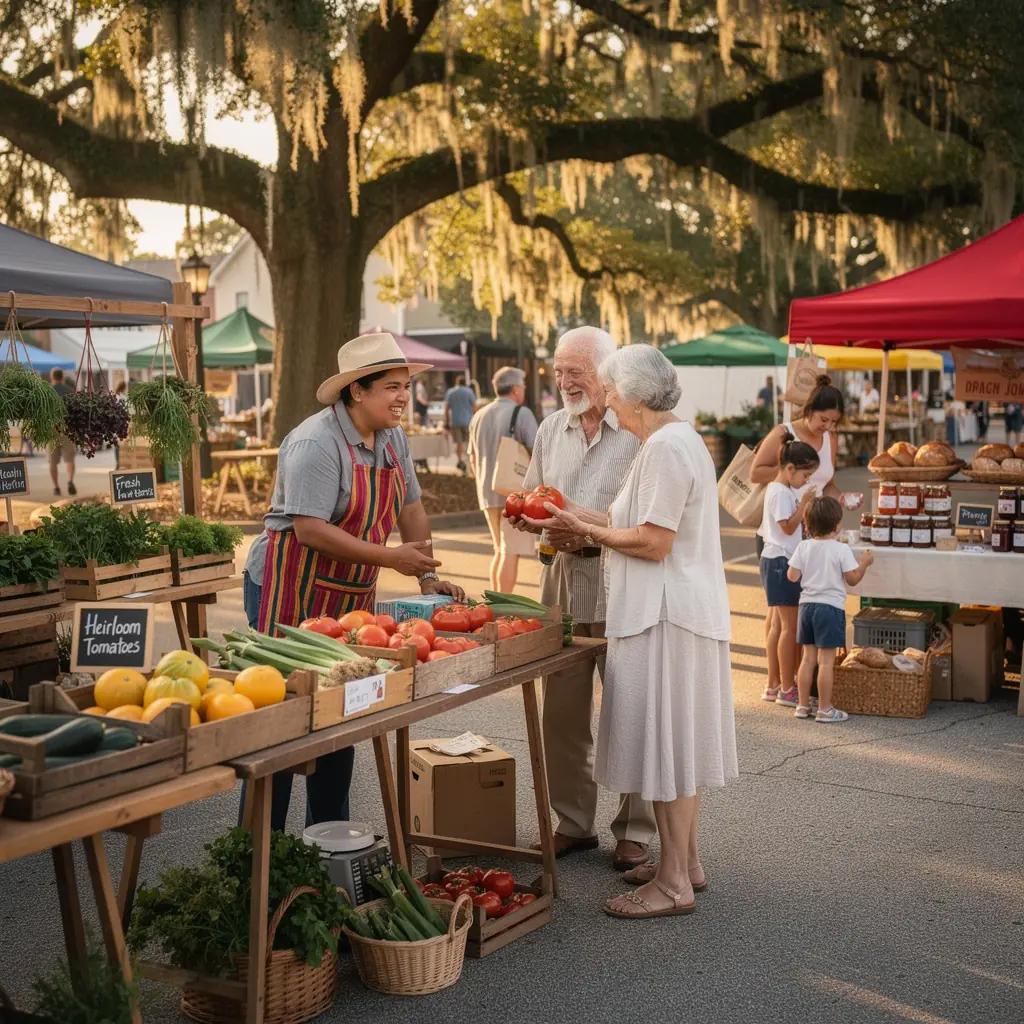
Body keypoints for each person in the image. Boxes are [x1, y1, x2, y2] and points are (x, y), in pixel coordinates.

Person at [523, 344, 736, 918]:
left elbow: (653, 540)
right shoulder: (673, 440)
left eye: (612, 388)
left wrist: (585, 533)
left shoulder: (664, 449)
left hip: (665, 616)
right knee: (676, 749)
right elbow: (629, 521)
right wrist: (568, 513)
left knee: (668, 752)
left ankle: (671, 884)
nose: (607, 396)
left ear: (636, 395)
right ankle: (683, 862)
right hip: (671, 612)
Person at [241, 332, 464, 831]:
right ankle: (259, 851)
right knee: (280, 721)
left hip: (347, 592)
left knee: (342, 713)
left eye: (406, 385)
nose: (403, 397)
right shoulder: (315, 442)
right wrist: (391, 558)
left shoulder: (393, 438)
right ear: (356, 391)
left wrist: (427, 574)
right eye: (391, 386)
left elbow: (410, 508)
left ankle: (327, 841)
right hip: (287, 585)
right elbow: (310, 529)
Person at [512, 326, 656, 871]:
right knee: (563, 716)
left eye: (577, 371)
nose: (564, 381)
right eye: (558, 371)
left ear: (608, 372)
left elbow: (649, 522)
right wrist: (534, 520)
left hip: (622, 586)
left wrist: (590, 529)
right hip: (564, 587)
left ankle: (635, 830)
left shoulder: (639, 431)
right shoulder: (552, 428)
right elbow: (531, 497)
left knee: (630, 713)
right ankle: (572, 823)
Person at [750, 375, 860, 715]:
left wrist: (837, 496)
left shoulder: (829, 441)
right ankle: (784, 683)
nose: (827, 427)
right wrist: (792, 486)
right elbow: (757, 472)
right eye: (823, 419)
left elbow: (825, 481)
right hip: (781, 539)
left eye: (833, 423)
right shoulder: (785, 434)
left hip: (801, 534)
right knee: (782, 619)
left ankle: (779, 683)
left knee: (783, 618)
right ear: (809, 410)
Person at [787, 497, 874, 723]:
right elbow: (853, 579)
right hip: (830, 608)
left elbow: (792, 575)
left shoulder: (803, 546)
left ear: (806, 526)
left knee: (807, 659)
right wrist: (864, 563)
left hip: (806, 607)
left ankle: (803, 705)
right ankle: (825, 709)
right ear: (836, 527)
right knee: (826, 662)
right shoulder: (841, 549)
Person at [757, 435, 819, 707]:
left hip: (776, 561)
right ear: (790, 469)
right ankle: (786, 687)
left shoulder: (777, 489)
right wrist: (804, 503)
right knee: (788, 627)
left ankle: (776, 684)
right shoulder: (782, 492)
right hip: (781, 562)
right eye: (805, 474)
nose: (806, 480)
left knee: (780, 625)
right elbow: (788, 527)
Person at [467, 366, 538, 592]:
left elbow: (472, 457)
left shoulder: (479, 415)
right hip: (513, 493)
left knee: (499, 549)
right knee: (510, 551)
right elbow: (538, 451)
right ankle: (503, 605)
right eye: (523, 386)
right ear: (516, 388)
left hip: (486, 490)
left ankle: (495, 601)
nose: (524, 389)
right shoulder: (522, 413)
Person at [47, 368, 76, 496]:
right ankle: (70, 481)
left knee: (53, 461)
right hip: (67, 429)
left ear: (51, 377)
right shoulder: (69, 391)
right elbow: (75, 412)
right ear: (62, 377)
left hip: (51, 430)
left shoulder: (46, 392)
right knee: (69, 459)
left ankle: (56, 487)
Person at [444, 375, 477, 472]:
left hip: (456, 421)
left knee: (459, 443)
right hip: (468, 421)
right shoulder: (469, 392)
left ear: (457, 382)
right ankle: (470, 462)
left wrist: (447, 422)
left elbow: (446, 409)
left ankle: (460, 461)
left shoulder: (451, 392)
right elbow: (474, 407)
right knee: (469, 442)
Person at [113, 381, 127, 469]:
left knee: (116, 445)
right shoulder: (123, 398)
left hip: (114, 424)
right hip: (122, 424)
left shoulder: (114, 397)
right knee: (120, 444)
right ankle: (120, 463)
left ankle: (118, 463)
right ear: (124, 388)